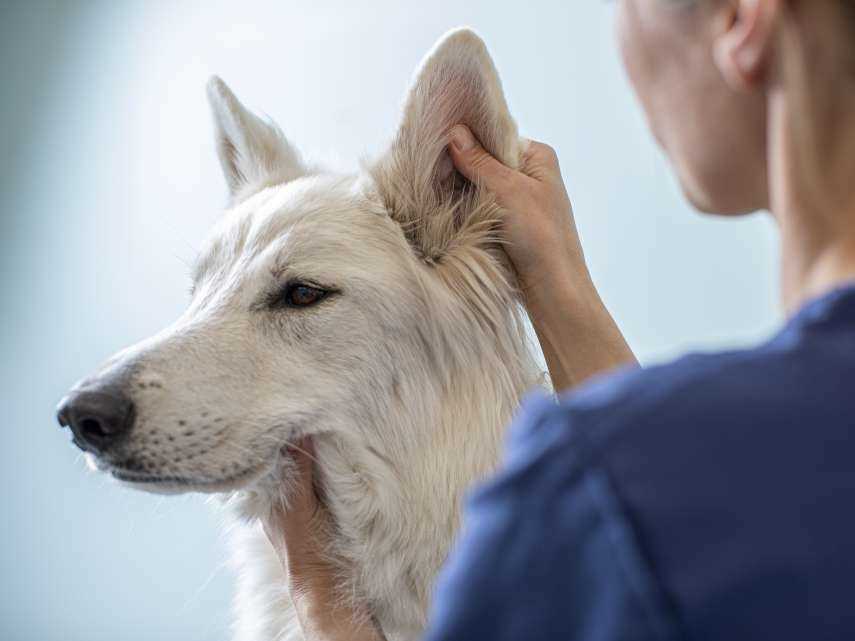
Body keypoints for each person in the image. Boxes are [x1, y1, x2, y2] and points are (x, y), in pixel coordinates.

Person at [261, 1, 855, 639]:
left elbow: (646, 500)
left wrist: (320, 599)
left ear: (743, 20)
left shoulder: (585, 481)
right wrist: (555, 280)